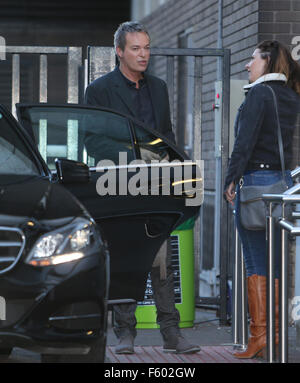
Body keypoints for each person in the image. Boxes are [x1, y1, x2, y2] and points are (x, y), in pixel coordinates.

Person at [84, 21, 201, 355]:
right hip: (120, 184)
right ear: (119, 51)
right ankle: (125, 333)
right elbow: (93, 140)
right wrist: (136, 154)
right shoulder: (101, 90)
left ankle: (171, 334)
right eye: (136, 48)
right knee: (125, 257)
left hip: (159, 184)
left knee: (161, 259)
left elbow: (166, 133)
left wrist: (178, 163)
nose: (143, 54)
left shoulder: (159, 87)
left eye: (147, 47)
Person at [224, 40, 300, 359]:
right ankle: (276, 333)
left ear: (266, 60)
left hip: (255, 183)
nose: (247, 65)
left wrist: (231, 178)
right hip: (281, 183)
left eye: (252, 58)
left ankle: (260, 336)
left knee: (256, 261)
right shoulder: (289, 96)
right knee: (277, 261)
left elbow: (245, 142)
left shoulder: (258, 94)